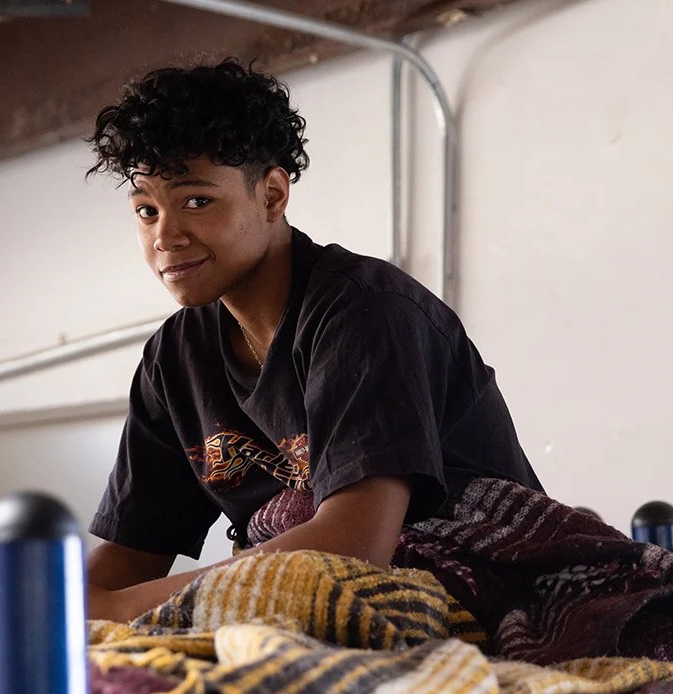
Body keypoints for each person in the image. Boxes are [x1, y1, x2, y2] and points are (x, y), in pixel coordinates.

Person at [82, 59, 542, 622]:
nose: (165, 236)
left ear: (272, 196)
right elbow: (126, 556)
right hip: (308, 606)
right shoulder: (172, 359)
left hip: (484, 594)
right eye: (146, 210)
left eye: (196, 201)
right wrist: (56, 607)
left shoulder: (365, 311)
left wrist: (120, 609)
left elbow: (352, 549)